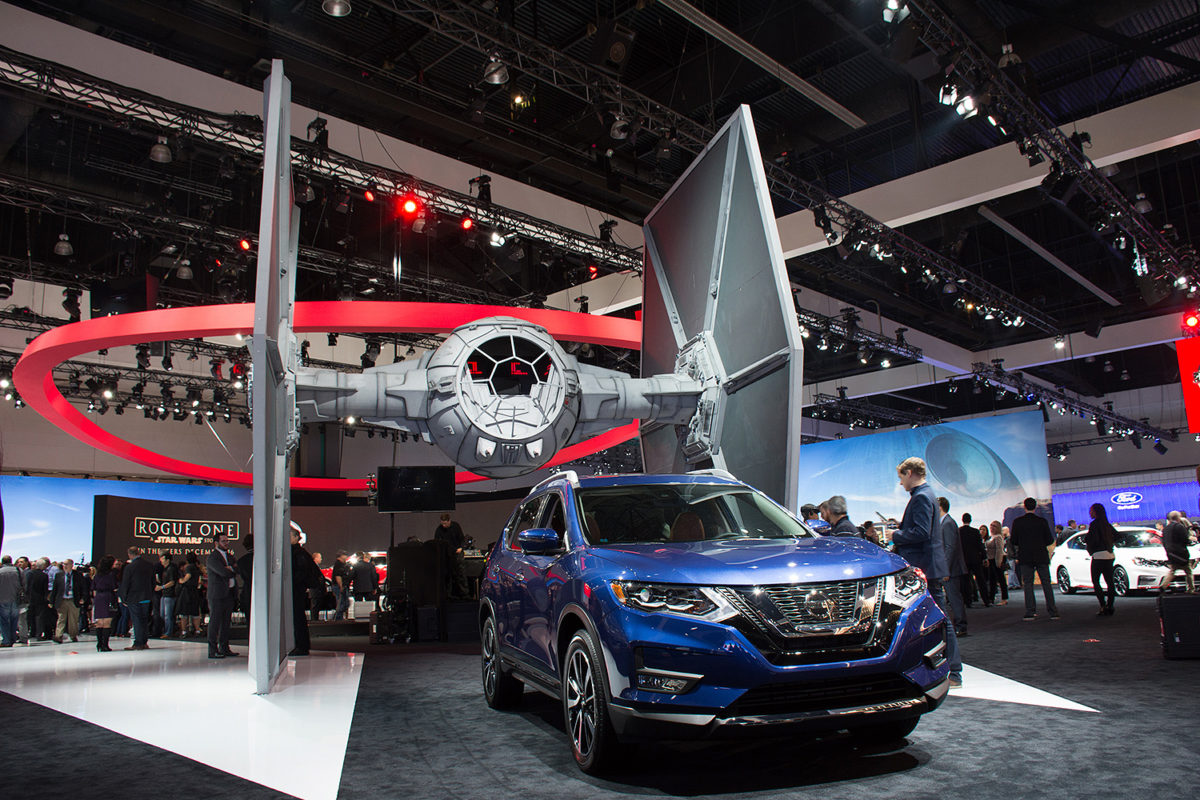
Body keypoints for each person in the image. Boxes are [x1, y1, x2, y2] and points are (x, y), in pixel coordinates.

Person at [892, 457, 960, 688]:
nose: (901, 483)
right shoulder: (928, 494)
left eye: (901, 477)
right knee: (939, 618)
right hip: (929, 566)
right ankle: (951, 669)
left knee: (940, 619)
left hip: (925, 567)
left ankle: (954, 670)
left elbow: (920, 532)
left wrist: (896, 535)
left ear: (910, 473)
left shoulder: (921, 497)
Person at [1011, 498, 1058, 620]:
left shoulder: (1018, 522)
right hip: (1041, 555)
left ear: (1025, 507)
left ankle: (1030, 611)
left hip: (1025, 556)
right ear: (1035, 507)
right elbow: (1049, 540)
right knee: (1046, 583)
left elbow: (1014, 541)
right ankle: (1053, 612)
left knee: (1028, 584)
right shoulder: (1041, 521)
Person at [938, 497, 969, 637]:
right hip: (948, 568)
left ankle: (961, 626)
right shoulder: (944, 523)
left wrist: (945, 569)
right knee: (952, 598)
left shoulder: (948, 523)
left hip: (951, 569)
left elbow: (950, 548)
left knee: (954, 598)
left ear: (939, 507)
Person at [206, 532, 239, 659]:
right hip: (217, 595)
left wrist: (230, 569)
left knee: (226, 623)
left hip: (229, 594)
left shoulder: (230, 557)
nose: (226, 543)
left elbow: (237, 570)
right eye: (224, 541)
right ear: (216, 543)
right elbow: (223, 573)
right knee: (215, 622)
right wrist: (230, 570)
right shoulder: (212, 558)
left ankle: (224, 648)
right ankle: (212, 650)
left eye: (227, 541)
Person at [290, 527, 323, 656]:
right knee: (297, 618)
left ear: (296, 537)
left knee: (298, 618)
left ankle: (301, 646)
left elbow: (302, 572)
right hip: (297, 588)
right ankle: (300, 645)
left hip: (297, 589)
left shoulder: (299, 553)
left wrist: (294, 581)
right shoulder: (298, 553)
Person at [119, 547, 156, 649]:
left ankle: (138, 643)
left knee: (137, 620)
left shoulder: (130, 567)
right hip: (146, 597)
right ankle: (144, 642)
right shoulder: (149, 565)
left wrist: (123, 598)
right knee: (144, 619)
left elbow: (125, 584)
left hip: (134, 597)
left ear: (130, 554)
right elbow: (153, 582)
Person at [1086, 502, 1118, 615]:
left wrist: (1091, 547)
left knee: (1096, 581)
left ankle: (1103, 606)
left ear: (1095, 512)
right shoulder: (1107, 524)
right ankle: (1110, 605)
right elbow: (1118, 536)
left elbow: (1091, 539)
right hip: (1109, 555)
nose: (1090, 513)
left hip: (1098, 556)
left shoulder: (1094, 524)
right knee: (1110, 582)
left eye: (1091, 510)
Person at [434, 513, 470, 600]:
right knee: (448, 575)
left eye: (445, 523)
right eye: (442, 523)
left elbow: (461, 538)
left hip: (457, 553)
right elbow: (437, 543)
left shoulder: (456, 526)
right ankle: (448, 595)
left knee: (461, 574)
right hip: (447, 555)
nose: (444, 525)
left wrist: (461, 548)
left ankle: (464, 594)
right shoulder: (439, 530)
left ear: (449, 521)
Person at [1160, 510, 1196, 594]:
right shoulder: (1179, 527)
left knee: (1172, 570)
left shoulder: (1165, 529)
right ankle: (1191, 589)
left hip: (1171, 554)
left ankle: (1163, 586)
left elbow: (1164, 542)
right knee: (1188, 571)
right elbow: (1185, 539)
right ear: (1178, 517)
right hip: (1181, 553)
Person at [51, 558, 84, 643]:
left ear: (71, 565)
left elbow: (83, 588)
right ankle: (58, 636)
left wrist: (83, 598)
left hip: (73, 599)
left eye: (67, 564)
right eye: (64, 564)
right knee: (61, 618)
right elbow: (55, 589)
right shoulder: (59, 575)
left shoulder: (78, 575)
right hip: (62, 600)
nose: (64, 566)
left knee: (73, 619)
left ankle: (73, 635)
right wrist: (52, 601)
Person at [958, 514, 988, 608]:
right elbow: (980, 546)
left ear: (962, 520)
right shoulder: (975, 531)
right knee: (980, 580)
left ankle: (968, 601)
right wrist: (984, 558)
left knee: (965, 581)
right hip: (975, 559)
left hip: (964, 559)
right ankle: (986, 600)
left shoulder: (959, 531)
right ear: (970, 520)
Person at [90, 555, 118, 652]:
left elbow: (93, 589)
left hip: (99, 598)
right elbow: (114, 586)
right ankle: (105, 645)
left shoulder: (97, 575)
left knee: (100, 622)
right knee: (107, 622)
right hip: (108, 597)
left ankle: (99, 644)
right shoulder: (111, 574)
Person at [176, 551, 203, 637]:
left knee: (184, 613)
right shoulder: (197, 567)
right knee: (195, 612)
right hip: (195, 591)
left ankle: (184, 632)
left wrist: (181, 581)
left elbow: (188, 576)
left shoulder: (189, 567)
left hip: (187, 592)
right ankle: (197, 631)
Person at [26, 557, 53, 641]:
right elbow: (45, 589)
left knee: (30, 617)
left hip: (30, 598)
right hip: (41, 599)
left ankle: (31, 633)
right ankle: (39, 634)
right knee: (39, 617)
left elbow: (27, 586)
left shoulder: (29, 574)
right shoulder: (44, 575)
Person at [984, 523, 1009, 606]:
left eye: (994, 526)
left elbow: (999, 550)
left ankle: (1004, 598)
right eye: (991, 526)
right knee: (992, 580)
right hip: (991, 560)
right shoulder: (992, 537)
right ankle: (991, 598)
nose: (992, 528)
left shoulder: (998, 537)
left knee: (1001, 579)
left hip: (997, 560)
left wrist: (998, 561)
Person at [0, 555, 21, 647]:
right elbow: (24, 584)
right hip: (16, 598)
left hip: (3, 599)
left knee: (4, 620)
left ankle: (6, 640)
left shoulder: (0, 572)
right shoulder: (18, 571)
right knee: (14, 620)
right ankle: (13, 639)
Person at [156, 553, 179, 638]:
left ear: (167, 560)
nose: (160, 560)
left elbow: (172, 582)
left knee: (167, 615)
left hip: (170, 594)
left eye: (162, 558)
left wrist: (162, 587)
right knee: (163, 614)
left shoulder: (171, 569)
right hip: (164, 594)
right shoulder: (165, 569)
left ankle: (168, 632)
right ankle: (168, 630)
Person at [236, 535, 254, 631]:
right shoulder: (264, 559)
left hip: (248, 593)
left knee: (250, 622)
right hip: (262, 593)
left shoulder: (241, 561)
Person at [331, 550, 351, 621]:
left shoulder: (342, 564)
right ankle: (337, 619)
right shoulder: (338, 565)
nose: (346, 557)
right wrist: (341, 586)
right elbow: (338, 576)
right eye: (345, 555)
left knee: (345, 603)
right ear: (341, 556)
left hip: (341, 586)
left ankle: (339, 618)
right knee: (341, 603)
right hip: (339, 586)